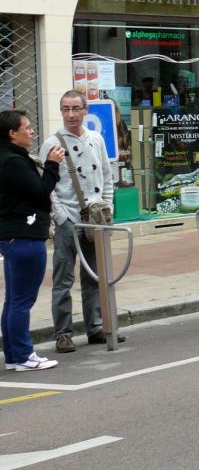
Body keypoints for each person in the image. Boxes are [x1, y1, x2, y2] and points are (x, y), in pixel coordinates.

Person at [38, 91, 116, 353]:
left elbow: (106, 176)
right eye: (65, 109)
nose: (70, 114)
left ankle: (95, 327)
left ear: (85, 111)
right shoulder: (52, 143)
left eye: (75, 109)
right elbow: (46, 186)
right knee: (63, 279)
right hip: (68, 219)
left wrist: (108, 207)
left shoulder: (96, 139)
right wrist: (60, 216)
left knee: (94, 276)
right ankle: (63, 333)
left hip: (95, 219)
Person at [0, 110, 64, 371]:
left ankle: (15, 356)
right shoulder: (12, 161)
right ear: (12, 133)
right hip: (24, 236)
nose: (32, 131)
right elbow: (39, 193)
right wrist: (52, 164)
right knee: (22, 300)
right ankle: (24, 355)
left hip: (12, 236)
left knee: (13, 299)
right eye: (26, 128)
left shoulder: (10, 156)